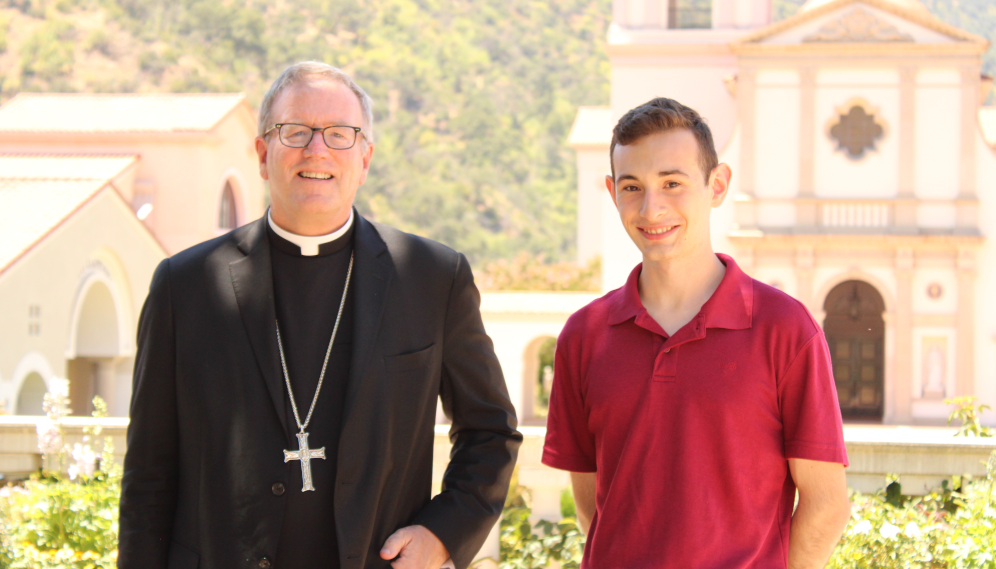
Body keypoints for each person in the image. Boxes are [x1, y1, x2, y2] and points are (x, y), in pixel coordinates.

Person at [119, 61, 521, 569]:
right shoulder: (186, 285)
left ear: (365, 158)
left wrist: (443, 535)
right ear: (264, 155)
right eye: (295, 132)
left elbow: (490, 430)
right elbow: (148, 475)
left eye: (339, 134)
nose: (317, 150)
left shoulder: (432, 278)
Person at [542, 98, 851, 568]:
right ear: (612, 192)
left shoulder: (786, 330)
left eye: (672, 183)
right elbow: (595, 509)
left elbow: (826, 506)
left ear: (717, 184)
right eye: (632, 187)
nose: (652, 207)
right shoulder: (583, 336)